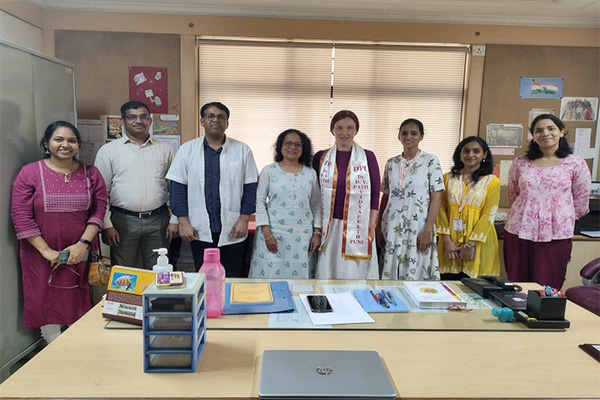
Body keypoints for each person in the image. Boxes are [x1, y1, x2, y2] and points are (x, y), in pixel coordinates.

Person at [11, 121, 108, 343]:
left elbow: (99, 210)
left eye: (71, 141)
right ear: (47, 143)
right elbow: (21, 216)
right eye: (59, 139)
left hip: (79, 252)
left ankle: (78, 350)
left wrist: (82, 244)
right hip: (40, 253)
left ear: (78, 145)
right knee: (45, 300)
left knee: (78, 297)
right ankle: (53, 351)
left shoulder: (91, 174)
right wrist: (47, 252)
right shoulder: (30, 173)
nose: (65, 145)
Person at [167, 102, 258, 277]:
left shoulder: (242, 150)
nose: (215, 120)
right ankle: (209, 305)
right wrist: (183, 223)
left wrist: (244, 220)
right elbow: (177, 189)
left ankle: (230, 305)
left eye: (221, 117)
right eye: (210, 116)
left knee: (233, 274)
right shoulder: (187, 150)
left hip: (233, 227)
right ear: (202, 121)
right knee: (205, 275)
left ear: (227, 123)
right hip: (198, 228)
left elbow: (250, 188)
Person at [504, 114, 591, 289]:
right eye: (539, 130)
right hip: (519, 229)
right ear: (533, 136)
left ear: (561, 131)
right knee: (517, 283)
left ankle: (544, 317)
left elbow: (581, 203)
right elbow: (514, 196)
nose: (545, 133)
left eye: (551, 128)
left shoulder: (576, 164)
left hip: (556, 233)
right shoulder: (520, 163)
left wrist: (558, 216)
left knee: (548, 286)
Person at [95, 101, 178, 269]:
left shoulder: (166, 150)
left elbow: (176, 189)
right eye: (132, 117)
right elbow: (101, 192)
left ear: (150, 120)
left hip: (158, 220)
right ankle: (125, 298)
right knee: (123, 272)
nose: (138, 121)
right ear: (123, 121)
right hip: (122, 221)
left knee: (159, 270)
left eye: (143, 116)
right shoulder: (108, 151)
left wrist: (175, 219)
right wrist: (106, 224)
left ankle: (156, 297)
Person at [313, 110, 381, 279]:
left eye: (350, 128)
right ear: (332, 130)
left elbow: (374, 194)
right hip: (329, 224)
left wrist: (371, 224)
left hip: (359, 223)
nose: (344, 133)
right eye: (340, 128)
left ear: (356, 130)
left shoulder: (368, 157)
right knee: (329, 270)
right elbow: (314, 194)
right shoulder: (320, 157)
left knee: (353, 270)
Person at [376, 119, 444, 280]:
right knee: (390, 272)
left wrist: (427, 230)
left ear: (421, 136)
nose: (409, 137)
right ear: (399, 136)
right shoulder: (391, 163)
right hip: (392, 226)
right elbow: (386, 195)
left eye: (414, 133)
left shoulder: (431, 161)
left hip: (418, 226)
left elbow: (436, 198)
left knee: (416, 271)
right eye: (404, 133)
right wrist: (378, 227)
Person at [249, 129, 321, 278]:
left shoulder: (310, 173)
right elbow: (259, 202)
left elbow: (316, 205)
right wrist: (267, 233)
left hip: (302, 237)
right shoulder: (269, 171)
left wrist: (316, 233)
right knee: (270, 275)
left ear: (303, 149)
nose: (292, 147)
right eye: (288, 143)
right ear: (280, 147)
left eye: (297, 144)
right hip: (273, 234)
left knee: (300, 278)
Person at [436, 136, 500, 279]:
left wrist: (470, 245)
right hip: (450, 239)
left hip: (479, 242)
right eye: (466, 151)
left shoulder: (492, 181)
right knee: (448, 284)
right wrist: (446, 240)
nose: (470, 155)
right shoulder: (447, 178)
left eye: (476, 151)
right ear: (459, 154)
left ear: (484, 155)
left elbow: (489, 214)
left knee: (475, 290)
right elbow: (440, 209)